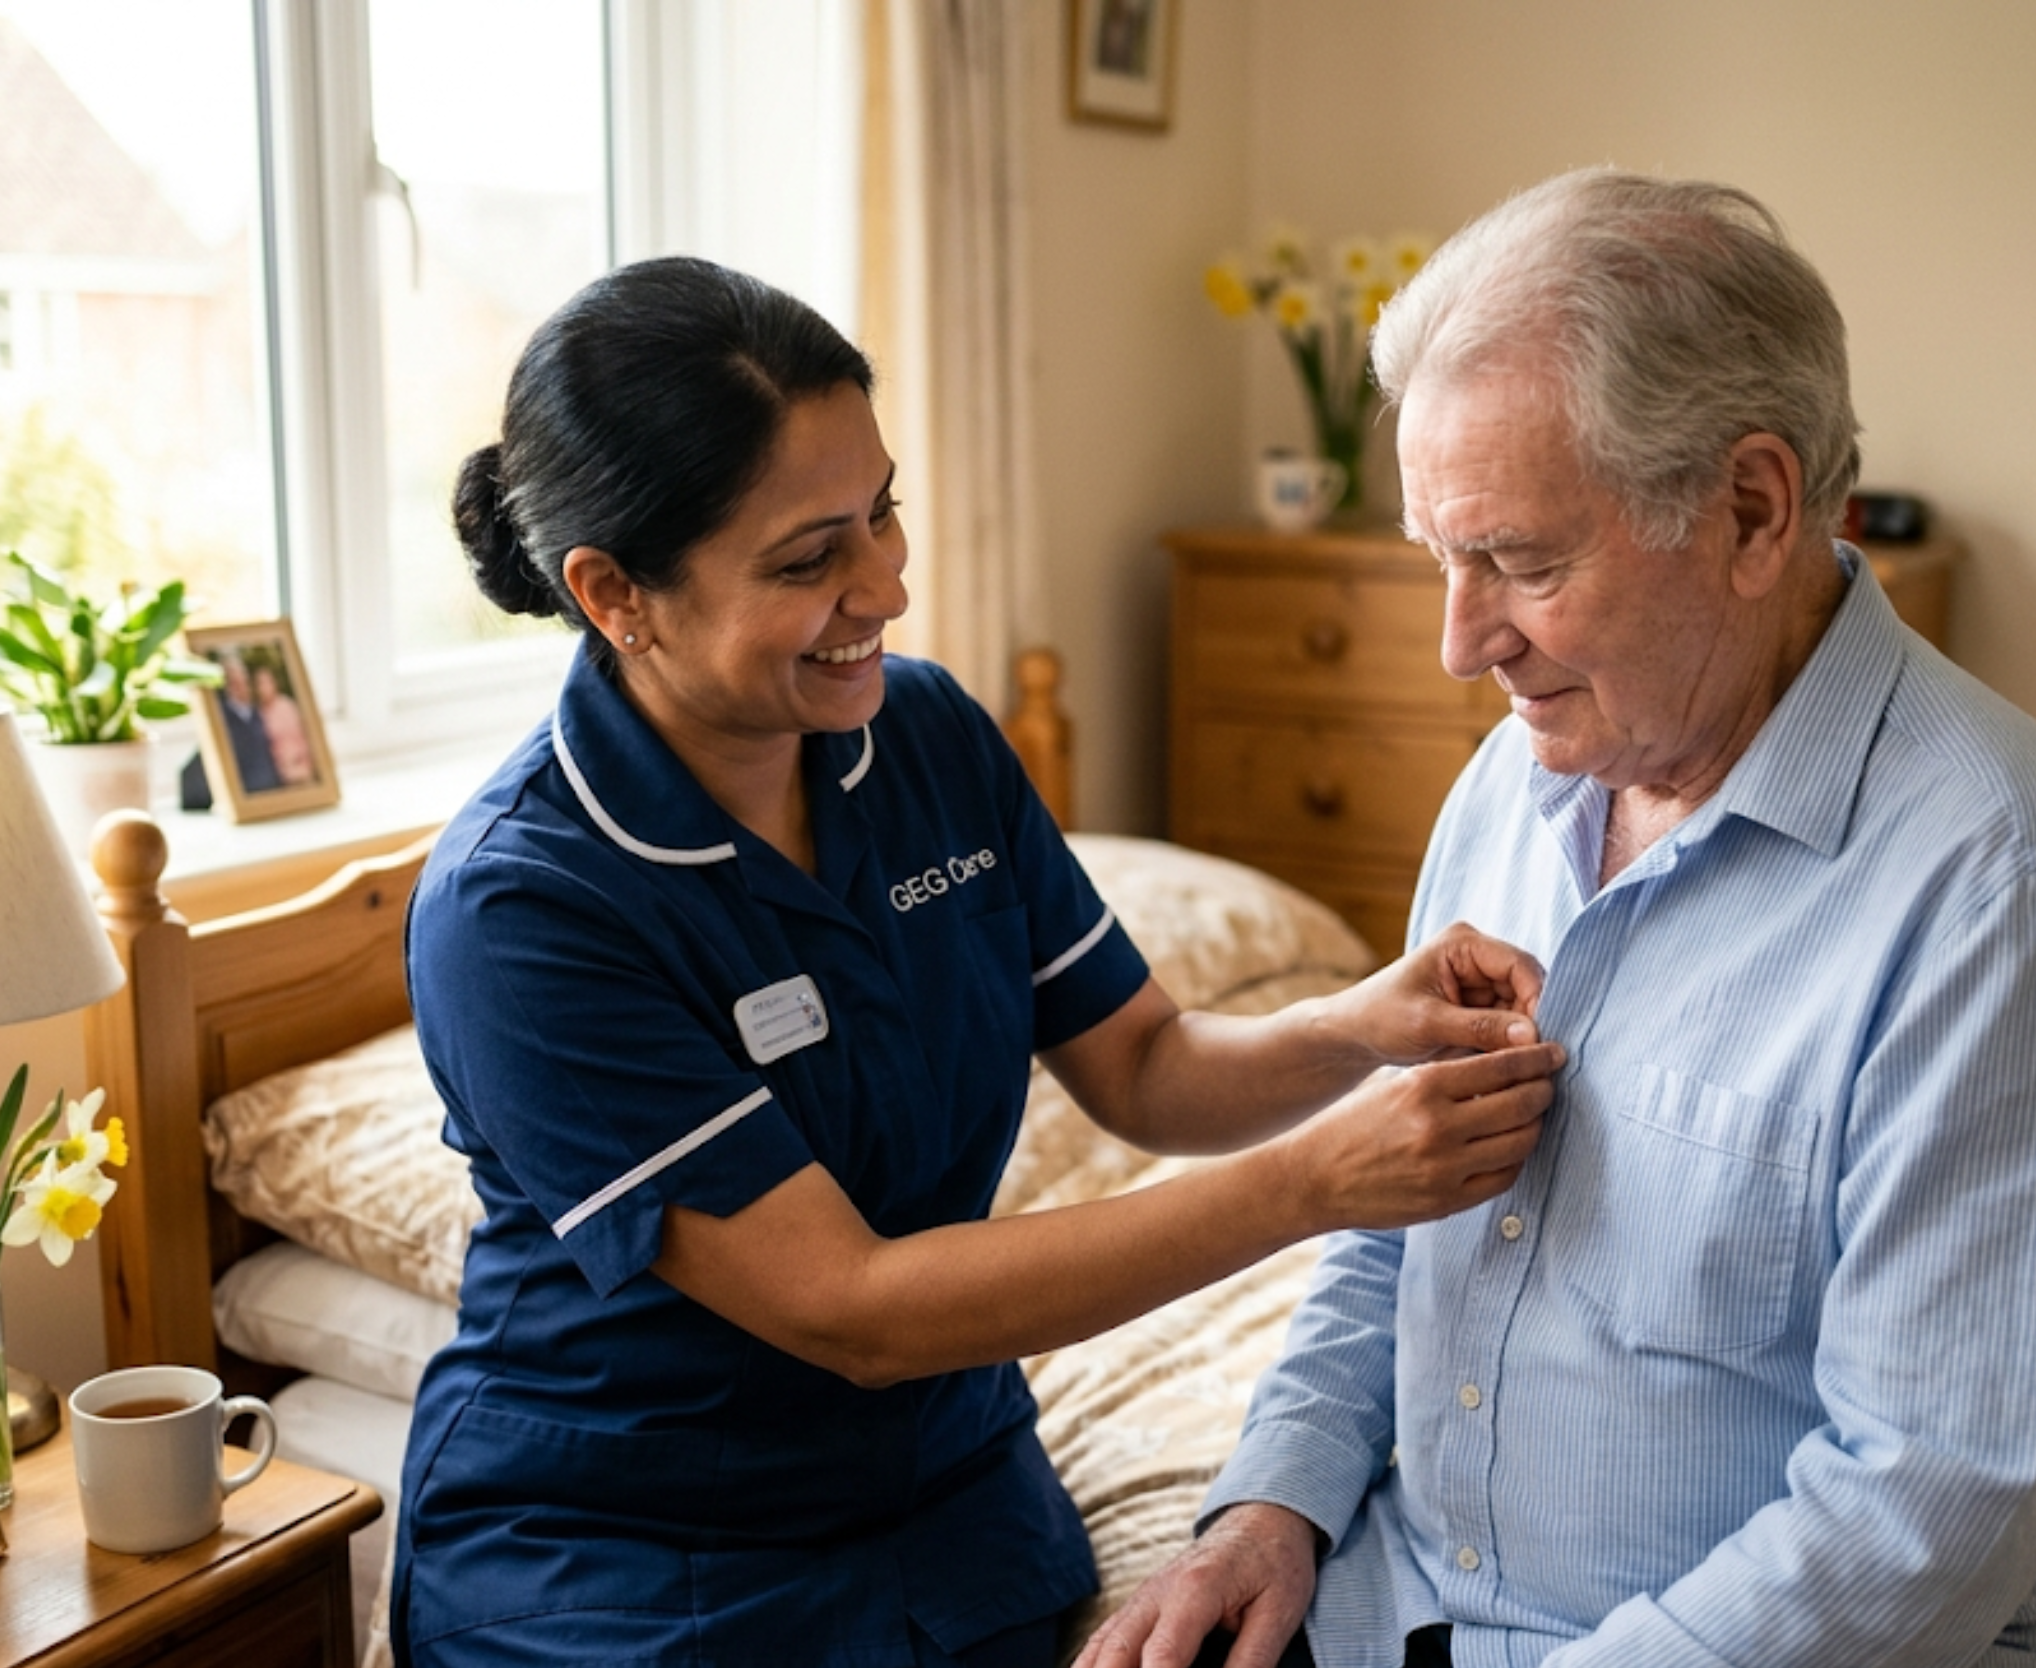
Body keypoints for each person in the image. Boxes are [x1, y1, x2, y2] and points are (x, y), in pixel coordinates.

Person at [389, 255, 1566, 1668]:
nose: (886, 584)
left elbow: (1144, 1069)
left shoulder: (926, 736)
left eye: (881, 511)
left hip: (947, 1495)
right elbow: (855, 1311)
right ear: (613, 594)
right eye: (808, 558)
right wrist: (1315, 1184)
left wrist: (1358, 1029)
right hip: (628, 1553)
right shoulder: (525, 906)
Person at [1082, 170, 2036, 1668]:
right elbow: (1393, 1230)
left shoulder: (2004, 887)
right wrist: (1271, 1507)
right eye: (1440, 562)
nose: (1463, 645)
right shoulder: (1520, 776)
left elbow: (1927, 1512)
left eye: (1522, 564)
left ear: (1751, 509)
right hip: (1407, 1600)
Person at [211, 654, 281, 794]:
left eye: (244, 680)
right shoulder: (220, 716)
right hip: (247, 792)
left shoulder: (258, 711)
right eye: (236, 682)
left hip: (272, 786)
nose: (242, 686)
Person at [252, 660, 315, 786]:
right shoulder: (258, 713)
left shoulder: (287, 706)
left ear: (274, 683)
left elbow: (303, 736)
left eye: (266, 682)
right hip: (278, 775)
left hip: (300, 766)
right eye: (259, 684)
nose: (263, 688)